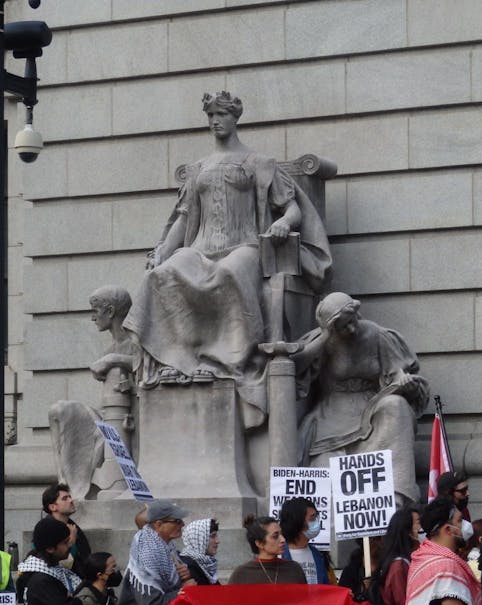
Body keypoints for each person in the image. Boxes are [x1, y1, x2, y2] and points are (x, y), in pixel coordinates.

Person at [125, 91, 331, 427]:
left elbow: (291, 208)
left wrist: (282, 222)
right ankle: (179, 361)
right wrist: (162, 250)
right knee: (160, 276)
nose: (215, 121)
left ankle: (226, 362)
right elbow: (184, 217)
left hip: (246, 246)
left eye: (221, 114)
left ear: (235, 117)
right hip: (201, 247)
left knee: (228, 276)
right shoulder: (199, 169)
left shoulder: (258, 164)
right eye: (210, 116)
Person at [292, 292, 429, 504]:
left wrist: (404, 381)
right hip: (331, 422)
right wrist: (325, 337)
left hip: (372, 414)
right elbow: (294, 367)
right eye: (344, 326)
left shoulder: (376, 335)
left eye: (353, 320)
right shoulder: (321, 343)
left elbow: (397, 372)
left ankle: (395, 498)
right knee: (326, 479)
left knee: (396, 406)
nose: (352, 328)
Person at [279, 497, 333, 585]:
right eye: (312, 519)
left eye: (316, 518)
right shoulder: (278, 555)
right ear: (297, 521)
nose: (316, 523)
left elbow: (325, 590)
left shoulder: (318, 555)